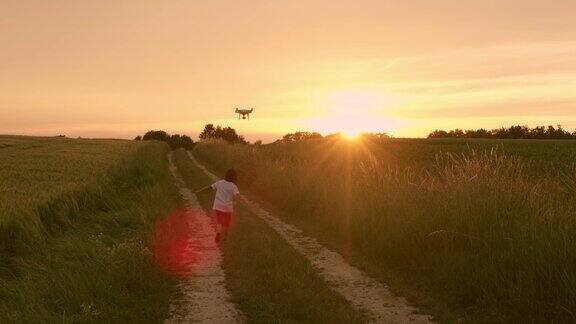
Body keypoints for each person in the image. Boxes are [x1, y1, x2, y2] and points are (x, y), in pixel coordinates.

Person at [195, 169, 239, 244]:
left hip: (218, 206)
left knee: (219, 221)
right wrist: (236, 201)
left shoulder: (220, 182)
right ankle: (225, 237)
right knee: (227, 223)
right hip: (228, 207)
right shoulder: (233, 186)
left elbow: (210, 187)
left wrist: (200, 191)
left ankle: (218, 233)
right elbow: (237, 195)